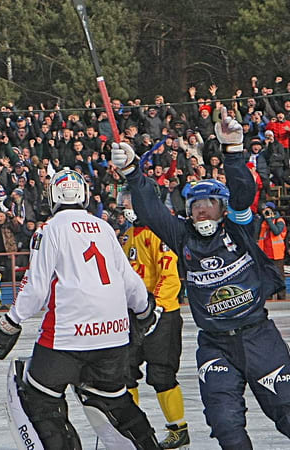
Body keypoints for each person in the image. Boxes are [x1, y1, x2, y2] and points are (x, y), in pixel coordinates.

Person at [112, 106, 290, 448]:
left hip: (258, 337)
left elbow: (242, 192)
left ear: (222, 208)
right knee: (224, 424)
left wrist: (233, 151)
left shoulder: (238, 229)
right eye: (195, 205)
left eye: (209, 203)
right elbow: (151, 211)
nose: (201, 209)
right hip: (215, 344)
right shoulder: (183, 237)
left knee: (287, 410)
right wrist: (133, 172)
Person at [0, 168, 160, 449]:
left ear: (53, 197)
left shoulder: (49, 230)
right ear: (83, 195)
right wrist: (144, 312)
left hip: (67, 336)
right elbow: (130, 282)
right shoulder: (104, 228)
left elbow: (36, 288)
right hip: (113, 336)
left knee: (39, 399)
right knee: (114, 399)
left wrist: (9, 323)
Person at [118, 186, 190, 448]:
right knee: (125, 373)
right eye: (125, 201)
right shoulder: (127, 236)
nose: (125, 206)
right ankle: (131, 429)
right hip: (134, 315)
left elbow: (169, 275)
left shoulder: (160, 234)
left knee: (161, 374)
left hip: (162, 315)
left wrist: (155, 307)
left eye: (130, 201)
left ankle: (178, 429)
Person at [257, 201, 286, 300]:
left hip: (277, 254)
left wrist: (270, 220)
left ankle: (281, 296)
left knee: (279, 275)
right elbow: (256, 232)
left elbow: (276, 231)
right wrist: (262, 219)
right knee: (267, 276)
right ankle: (268, 295)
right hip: (265, 254)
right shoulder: (263, 222)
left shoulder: (279, 220)